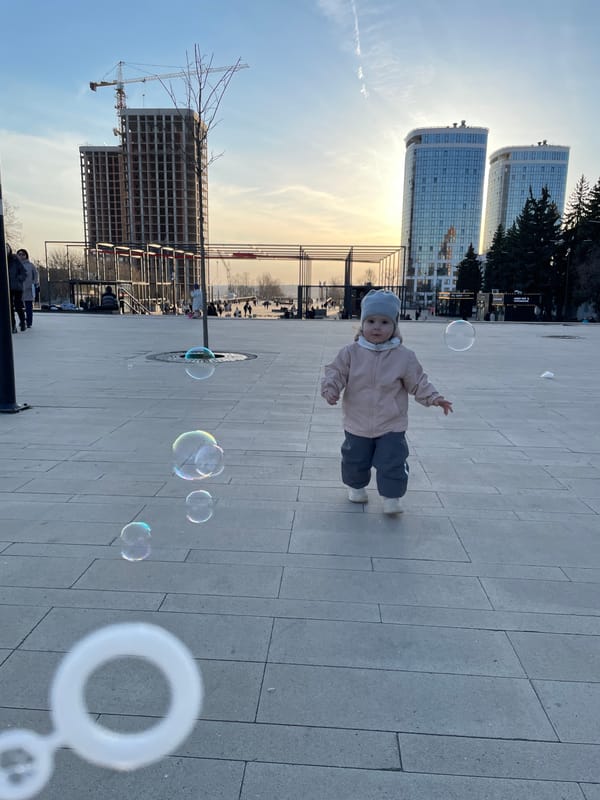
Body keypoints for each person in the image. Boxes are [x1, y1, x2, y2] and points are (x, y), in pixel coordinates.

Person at [321, 289, 453, 515]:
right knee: (355, 459)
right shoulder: (350, 353)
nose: (377, 327)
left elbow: (418, 381)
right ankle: (356, 488)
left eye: (384, 322)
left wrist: (434, 398)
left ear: (395, 326)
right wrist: (330, 389)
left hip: (391, 424)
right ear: (362, 324)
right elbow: (336, 373)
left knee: (393, 461)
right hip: (357, 422)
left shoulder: (404, 356)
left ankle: (392, 498)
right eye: (371, 321)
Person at [16, 249, 39, 328]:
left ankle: (29, 322)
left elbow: (36, 274)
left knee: (28, 306)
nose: (21, 256)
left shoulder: (30, 265)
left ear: (26, 255)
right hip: (18, 289)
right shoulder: (15, 265)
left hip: (28, 288)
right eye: (19, 254)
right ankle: (22, 320)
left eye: (23, 254)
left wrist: (34, 283)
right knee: (19, 306)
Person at [7, 245, 27, 333]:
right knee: (9, 306)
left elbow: (24, 273)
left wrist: (18, 278)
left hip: (17, 287)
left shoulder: (15, 259)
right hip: (7, 287)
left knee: (18, 305)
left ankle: (22, 322)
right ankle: (12, 325)